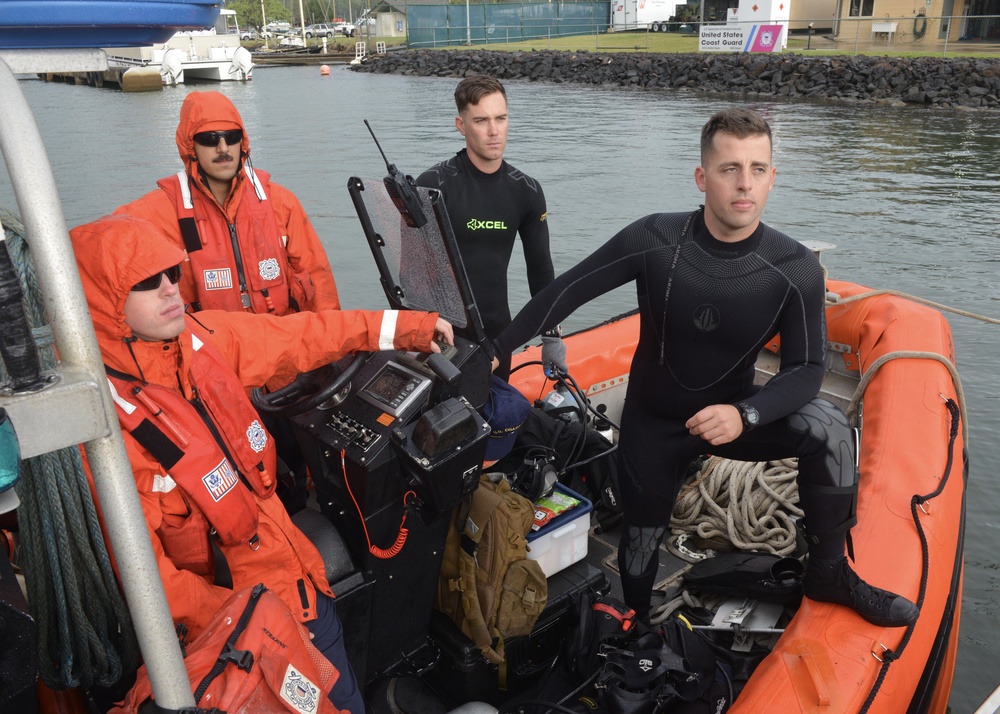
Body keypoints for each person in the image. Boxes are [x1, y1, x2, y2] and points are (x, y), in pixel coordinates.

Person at [491, 108, 919, 629]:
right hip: (655, 423)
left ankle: (828, 573)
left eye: (758, 169)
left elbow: (806, 368)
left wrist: (747, 414)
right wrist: (495, 352)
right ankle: (638, 627)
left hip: (731, 421)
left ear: (772, 177)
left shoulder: (793, 269)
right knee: (641, 541)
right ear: (701, 176)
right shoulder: (656, 240)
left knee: (828, 429)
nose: (745, 184)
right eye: (729, 168)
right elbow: (564, 292)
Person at [70, 214, 453, 713]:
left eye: (170, 274)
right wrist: (256, 619)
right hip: (239, 633)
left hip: (301, 582)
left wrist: (407, 327)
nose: (169, 290)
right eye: (146, 283)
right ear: (102, 300)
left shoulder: (203, 338)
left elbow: (301, 335)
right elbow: (146, 580)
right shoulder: (104, 436)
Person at [116, 90, 341, 513]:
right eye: (208, 138)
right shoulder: (158, 213)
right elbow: (103, 251)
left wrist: (332, 356)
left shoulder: (281, 204)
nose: (222, 147)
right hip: (213, 380)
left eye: (230, 136)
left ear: (243, 141)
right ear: (189, 147)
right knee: (244, 485)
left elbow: (321, 288)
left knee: (302, 469)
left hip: (286, 372)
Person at [416, 75, 558, 380]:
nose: (494, 131)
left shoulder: (527, 191)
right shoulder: (433, 186)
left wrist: (552, 339)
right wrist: (418, 333)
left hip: (498, 338)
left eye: (501, 118)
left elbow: (542, 274)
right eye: (481, 120)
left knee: (497, 425)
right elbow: (411, 274)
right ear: (461, 125)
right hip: (441, 339)